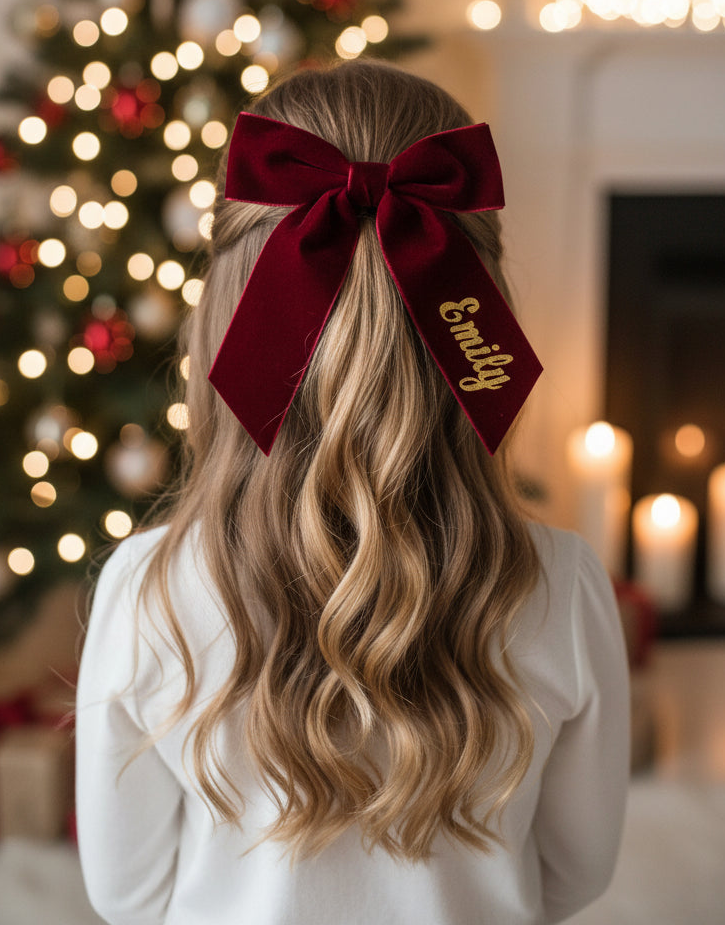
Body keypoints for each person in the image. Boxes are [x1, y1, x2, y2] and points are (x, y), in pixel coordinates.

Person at [75, 59, 630, 925]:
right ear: (475, 305)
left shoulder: (145, 587)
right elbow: (575, 872)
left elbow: (128, 893)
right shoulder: (564, 584)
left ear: (227, 307)